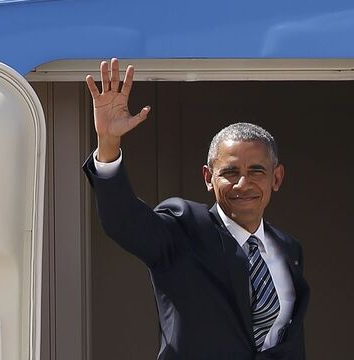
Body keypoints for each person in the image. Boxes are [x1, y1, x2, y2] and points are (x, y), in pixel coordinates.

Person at [82, 58, 309, 359]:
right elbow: (124, 222)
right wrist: (108, 143)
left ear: (276, 178)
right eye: (229, 172)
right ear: (208, 178)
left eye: (257, 171)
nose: (243, 183)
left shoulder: (288, 249)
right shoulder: (185, 228)